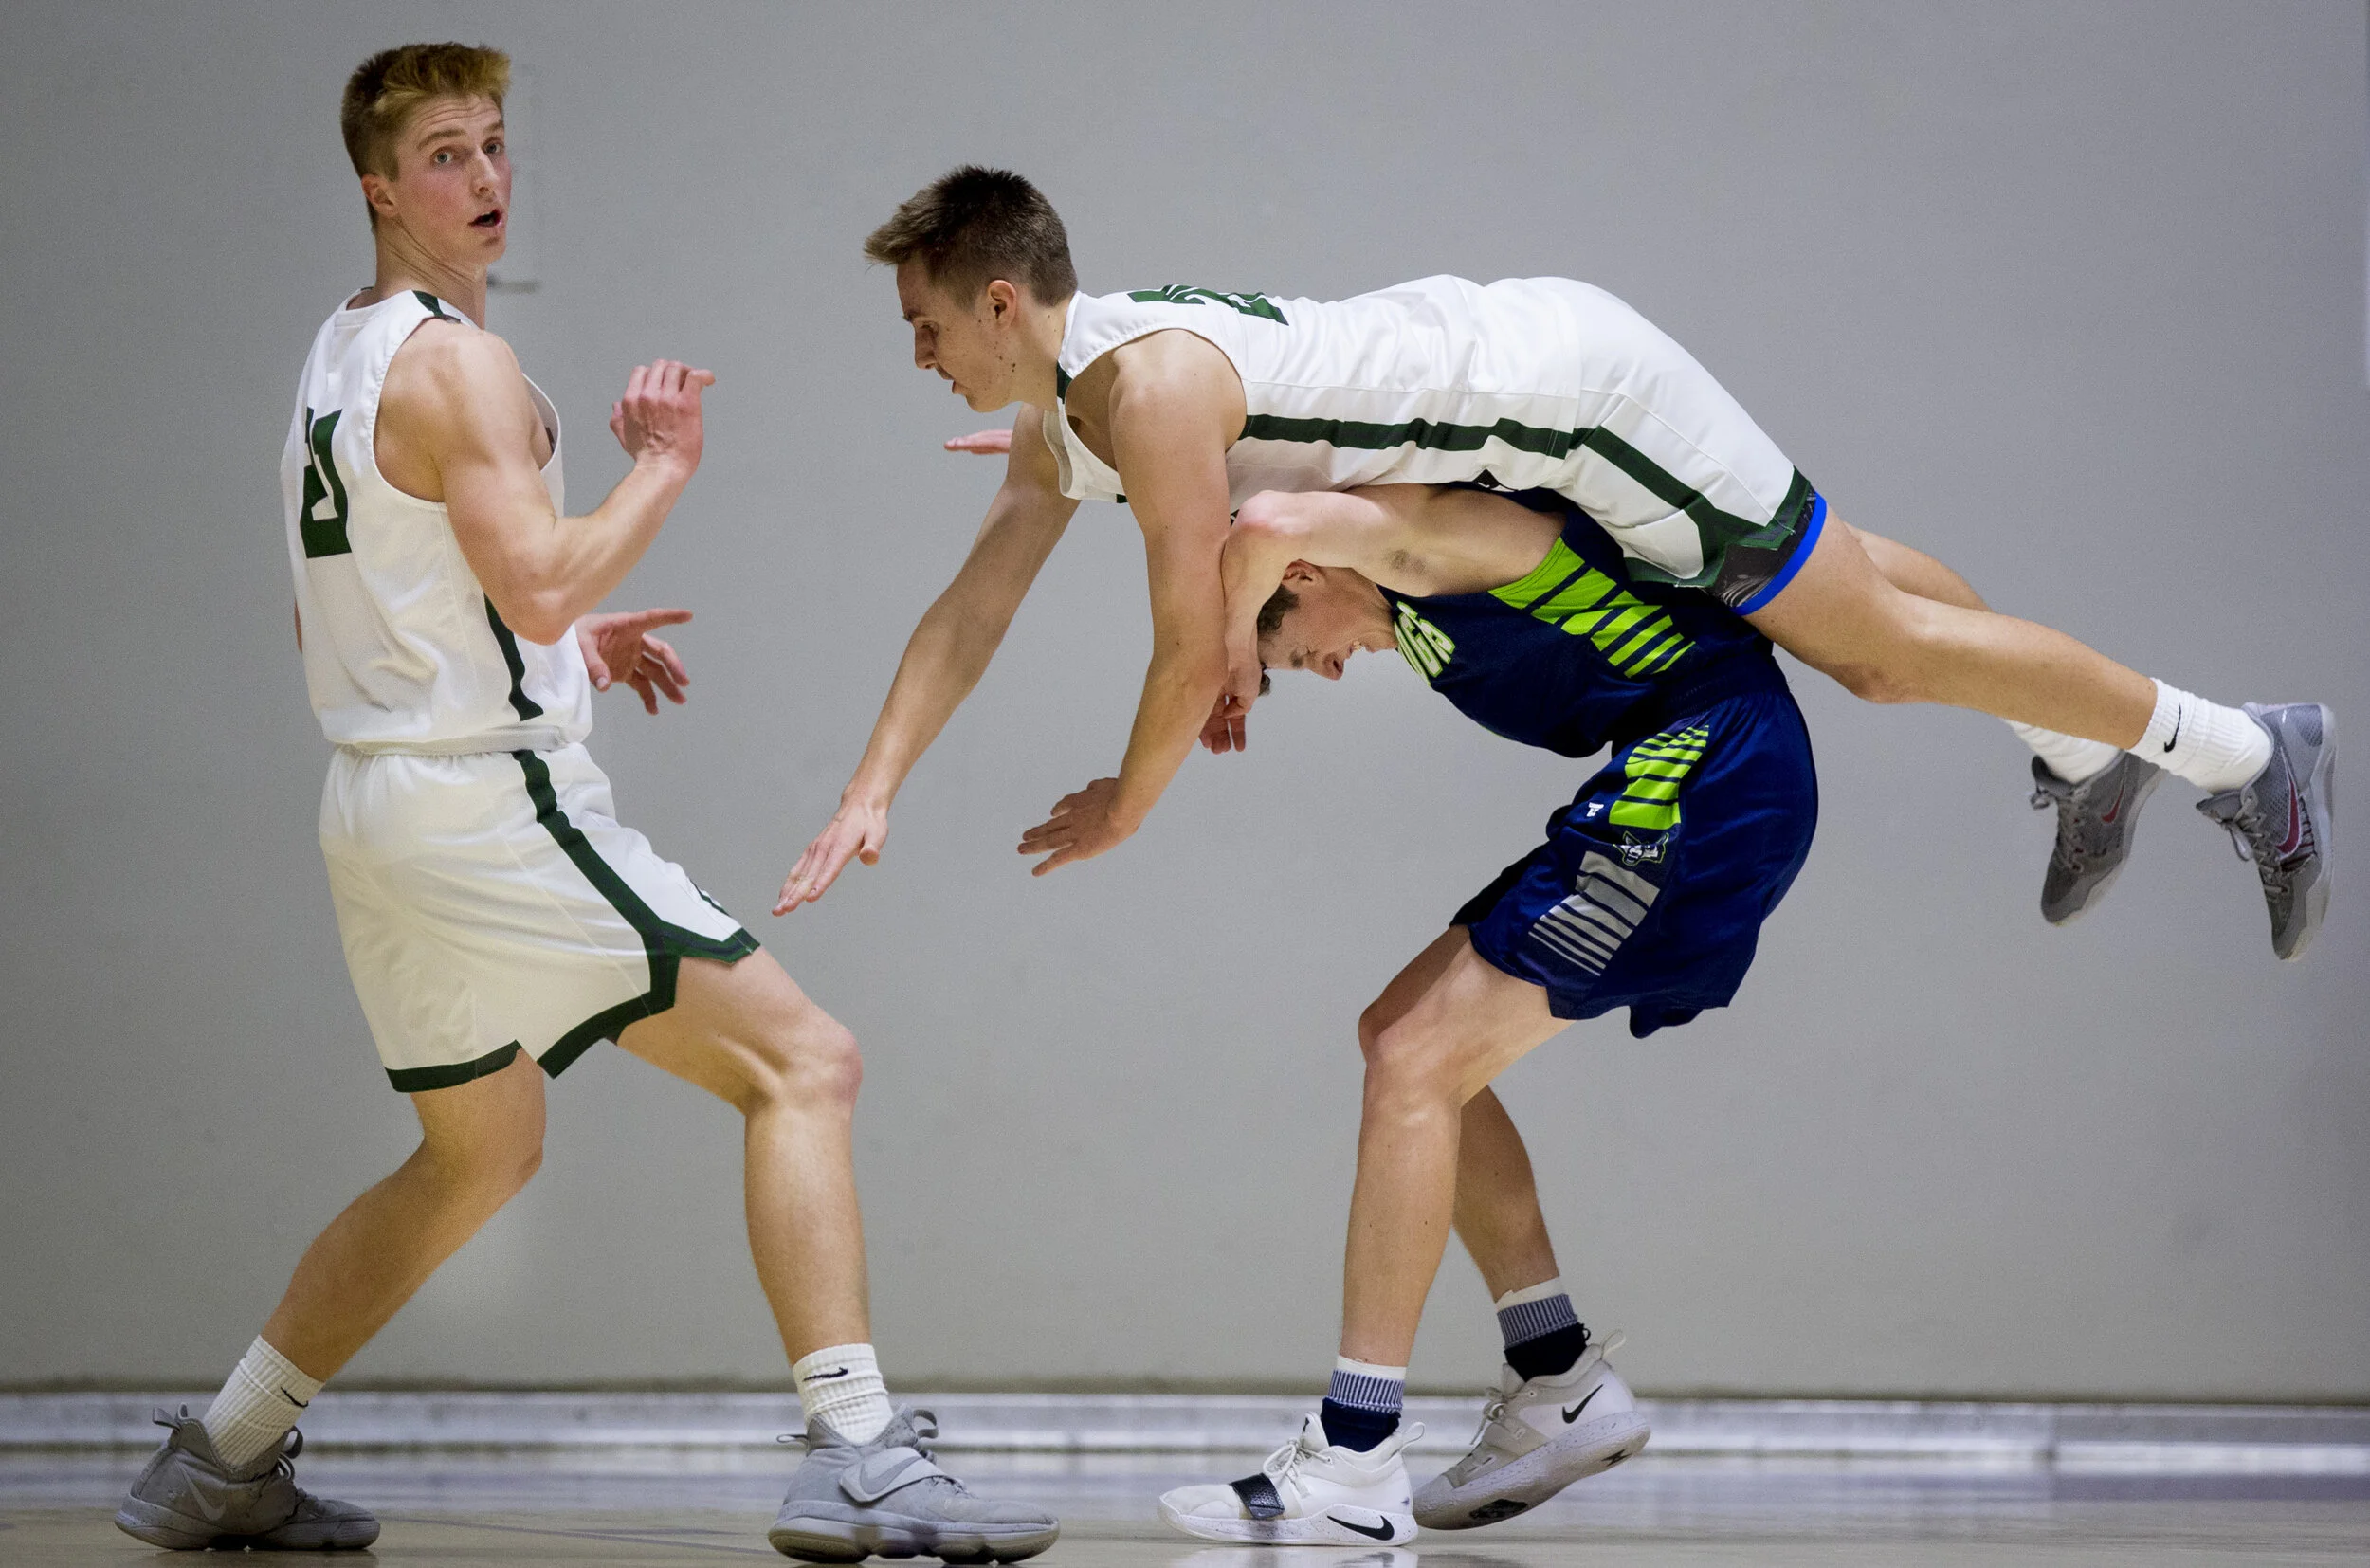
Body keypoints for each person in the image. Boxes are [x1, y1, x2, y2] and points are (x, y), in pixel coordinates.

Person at [114, 46, 1057, 1564]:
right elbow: (539, 569)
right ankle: (861, 1452)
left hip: (378, 809)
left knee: (477, 1155)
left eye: (493, 146)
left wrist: (551, 643)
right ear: (378, 188)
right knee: (805, 1062)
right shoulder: (457, 364)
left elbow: (355, 613)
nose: (485, 180)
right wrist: (662, 472)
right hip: (492, 806)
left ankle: (221, 1452)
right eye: (443, 156)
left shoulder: (336, 358)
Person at [781, 167, 2332, 964]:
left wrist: (1133, 798)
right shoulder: (1079, 402)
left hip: (1584, 409)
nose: (913, 355)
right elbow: (970, 610)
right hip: (1538, 386)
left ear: (1000, 304)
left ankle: (2250, 749)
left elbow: (1188, 642)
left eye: (922, 325)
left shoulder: (1152, 393)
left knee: (1860, 643)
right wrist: (872, 786)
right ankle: (2076, 744)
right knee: (1841, 568)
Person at [1158, 480, 1816, 1542]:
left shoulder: (1433, 543)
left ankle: (1356, 1456)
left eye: (1289, 652)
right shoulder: (1407, 618)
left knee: (1416, 1060)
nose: (1320, 671)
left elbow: (1261, 495)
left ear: (1299, 574)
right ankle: (1555, 1371)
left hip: (1708, 776)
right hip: (1676, 774)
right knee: (1398, 1040)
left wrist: (1082, 411)